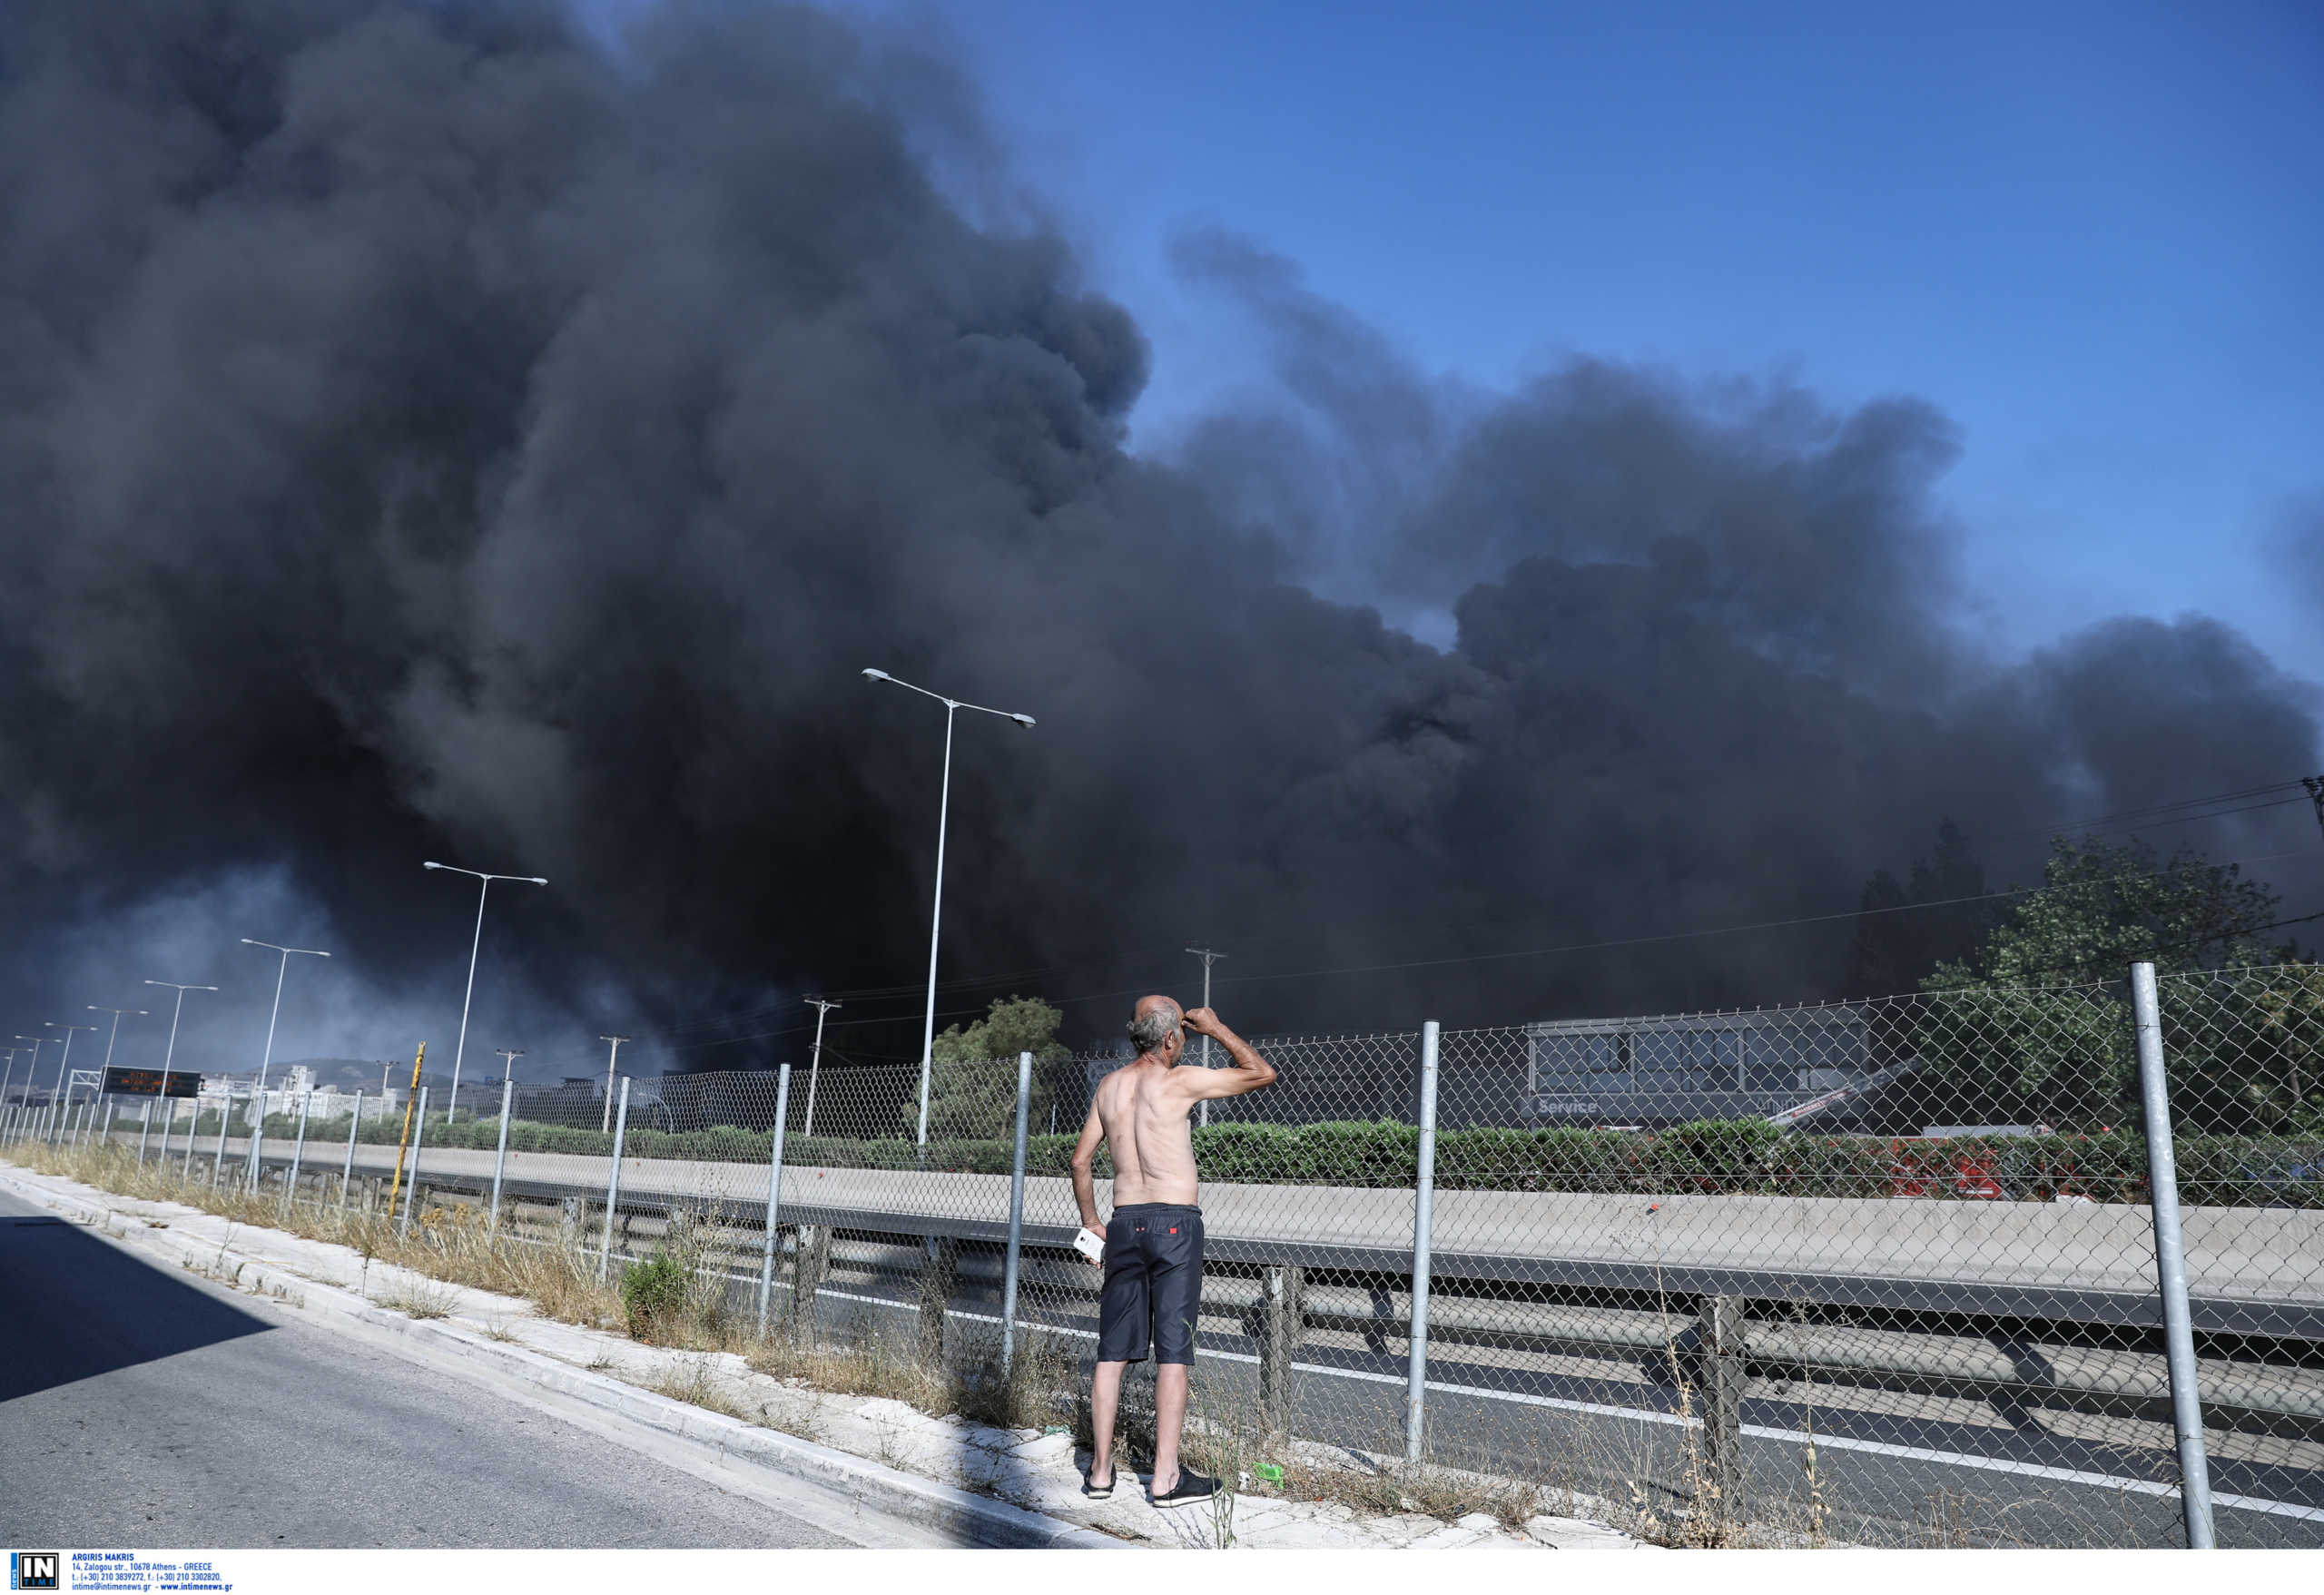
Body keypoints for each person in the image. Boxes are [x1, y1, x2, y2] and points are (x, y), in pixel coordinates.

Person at [1069, 994, 1277, 1508]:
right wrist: (1216, 1026)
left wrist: (1092, 1223)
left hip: (1122, 1222)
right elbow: (1260, 1073)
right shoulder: (1179, 1080)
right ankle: (1164, 1479)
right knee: (1173, 1354)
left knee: (1112, 1352)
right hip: (1175, 1225)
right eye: (1181, 1034)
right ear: (1169, 1039)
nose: (1184, 1041)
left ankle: (1099, 1473)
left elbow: (1079, 1163)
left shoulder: (1109, 1087)